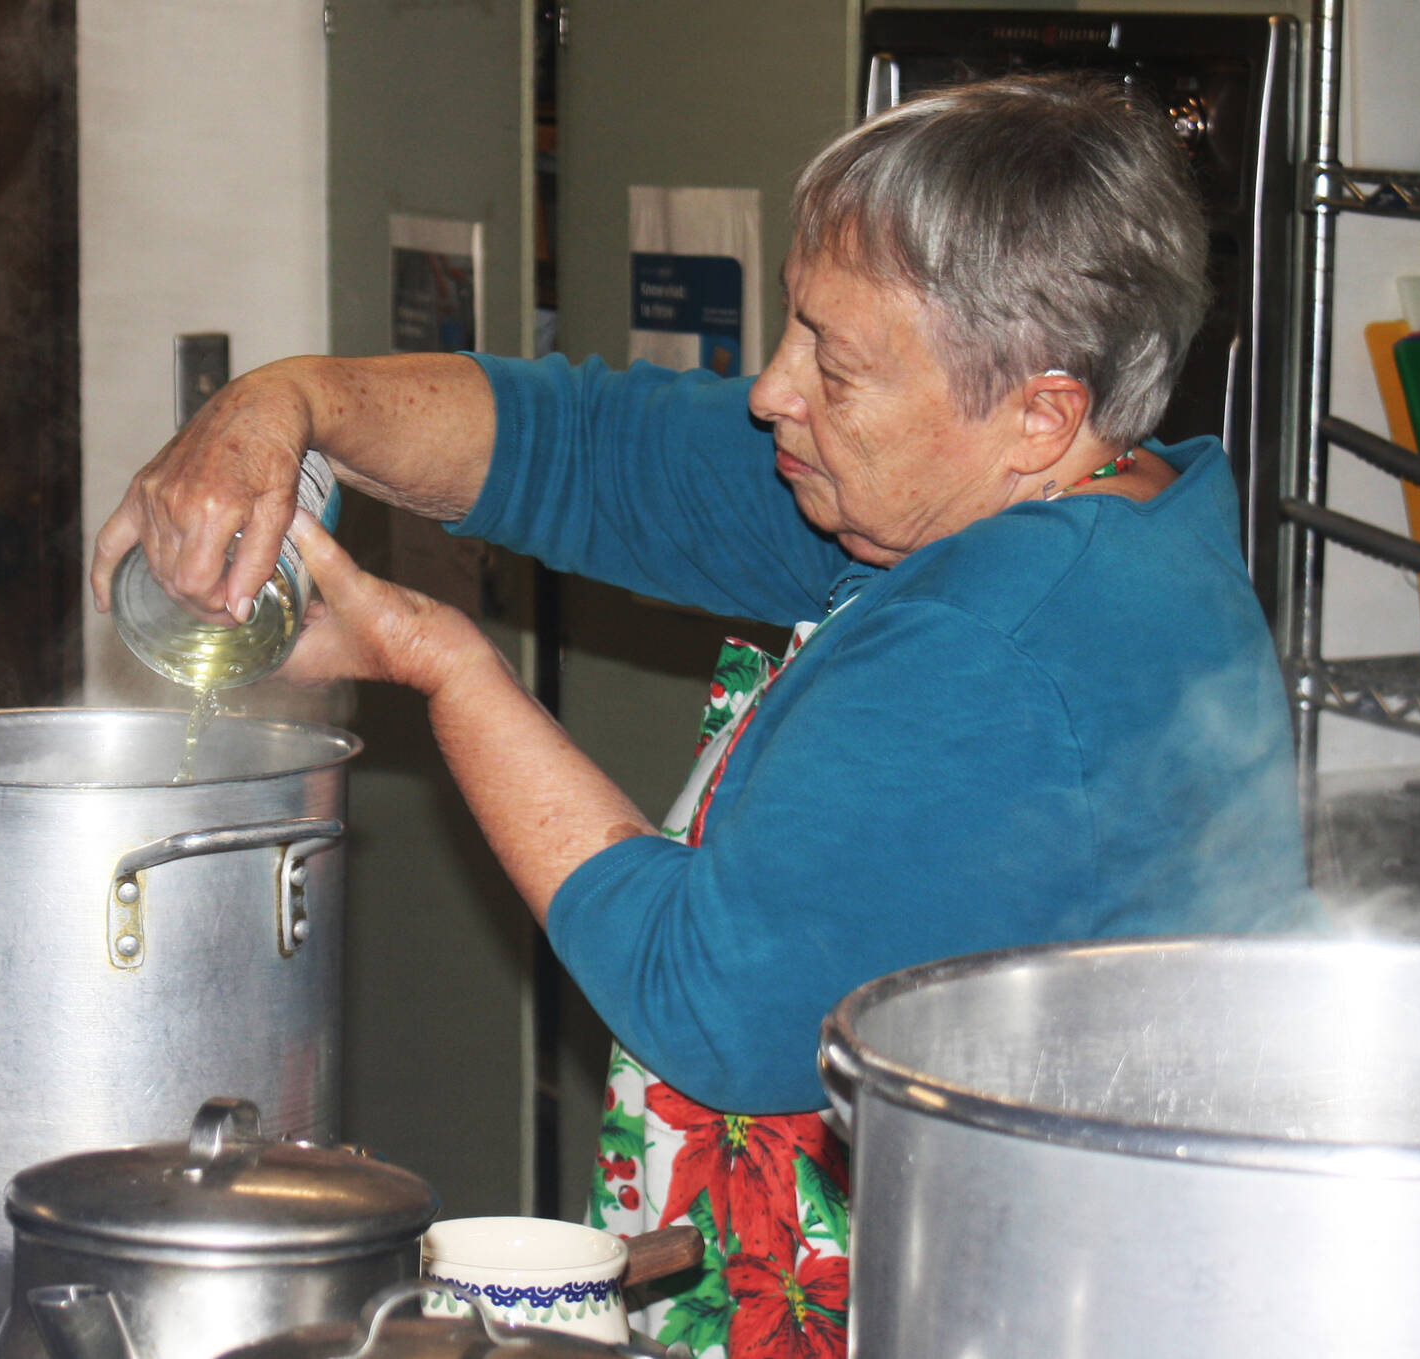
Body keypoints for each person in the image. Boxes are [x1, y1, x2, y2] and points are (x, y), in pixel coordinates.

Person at [90, 73, 1312, 1359]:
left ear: (1038, 412)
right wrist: (285, 405)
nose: (770, 391)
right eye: (795, 328)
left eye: (832, 366)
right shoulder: (1061, 502)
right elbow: (587, 450)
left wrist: (439, 664)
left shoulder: (1000, 646)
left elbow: (706, 1001)